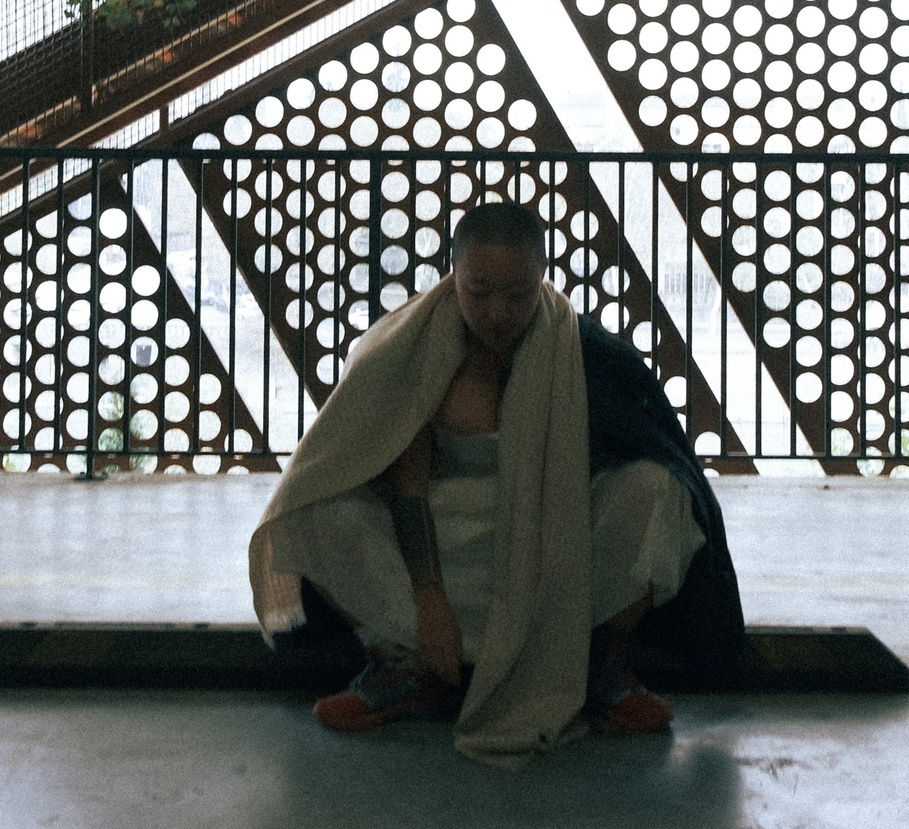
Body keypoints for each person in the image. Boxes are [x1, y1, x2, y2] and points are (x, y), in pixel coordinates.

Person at [247, 201, 749, 767]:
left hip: (551, 537)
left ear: (543, 278)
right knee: (310, 509)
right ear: (453, 276)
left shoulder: (584, 353)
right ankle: (405, 666)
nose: (499, 313)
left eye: (518, 294)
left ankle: (596, 666)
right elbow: (406, 487)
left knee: (660, 490)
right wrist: (430, 601)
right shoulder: (411, 348)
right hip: (445, 536)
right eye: (480, 292)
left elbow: (636, 456)